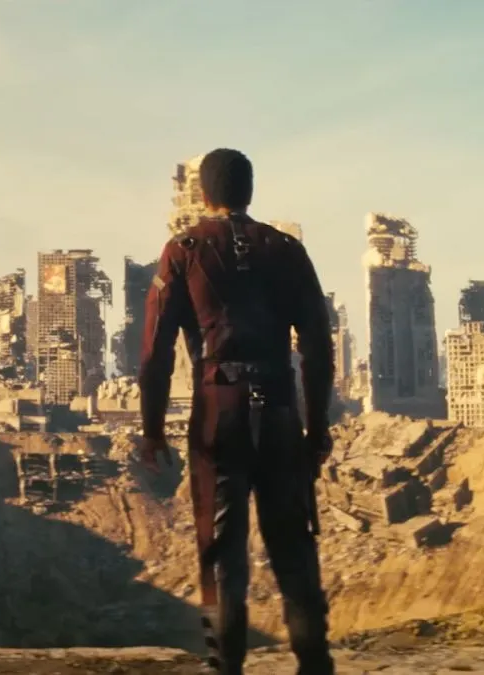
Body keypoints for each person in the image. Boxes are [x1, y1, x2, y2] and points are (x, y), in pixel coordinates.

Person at [137, 149, 336, 674]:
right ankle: (315, 665)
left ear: (204, 194)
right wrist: (317, 427)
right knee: (293, 547)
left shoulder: (182, 250)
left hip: (216, 412)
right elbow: (318, 346)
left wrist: (152, 430)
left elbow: (155, 353)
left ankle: (226, 668)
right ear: (250, 190)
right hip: (279, 408)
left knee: (221, 554)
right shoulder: (287, 250)